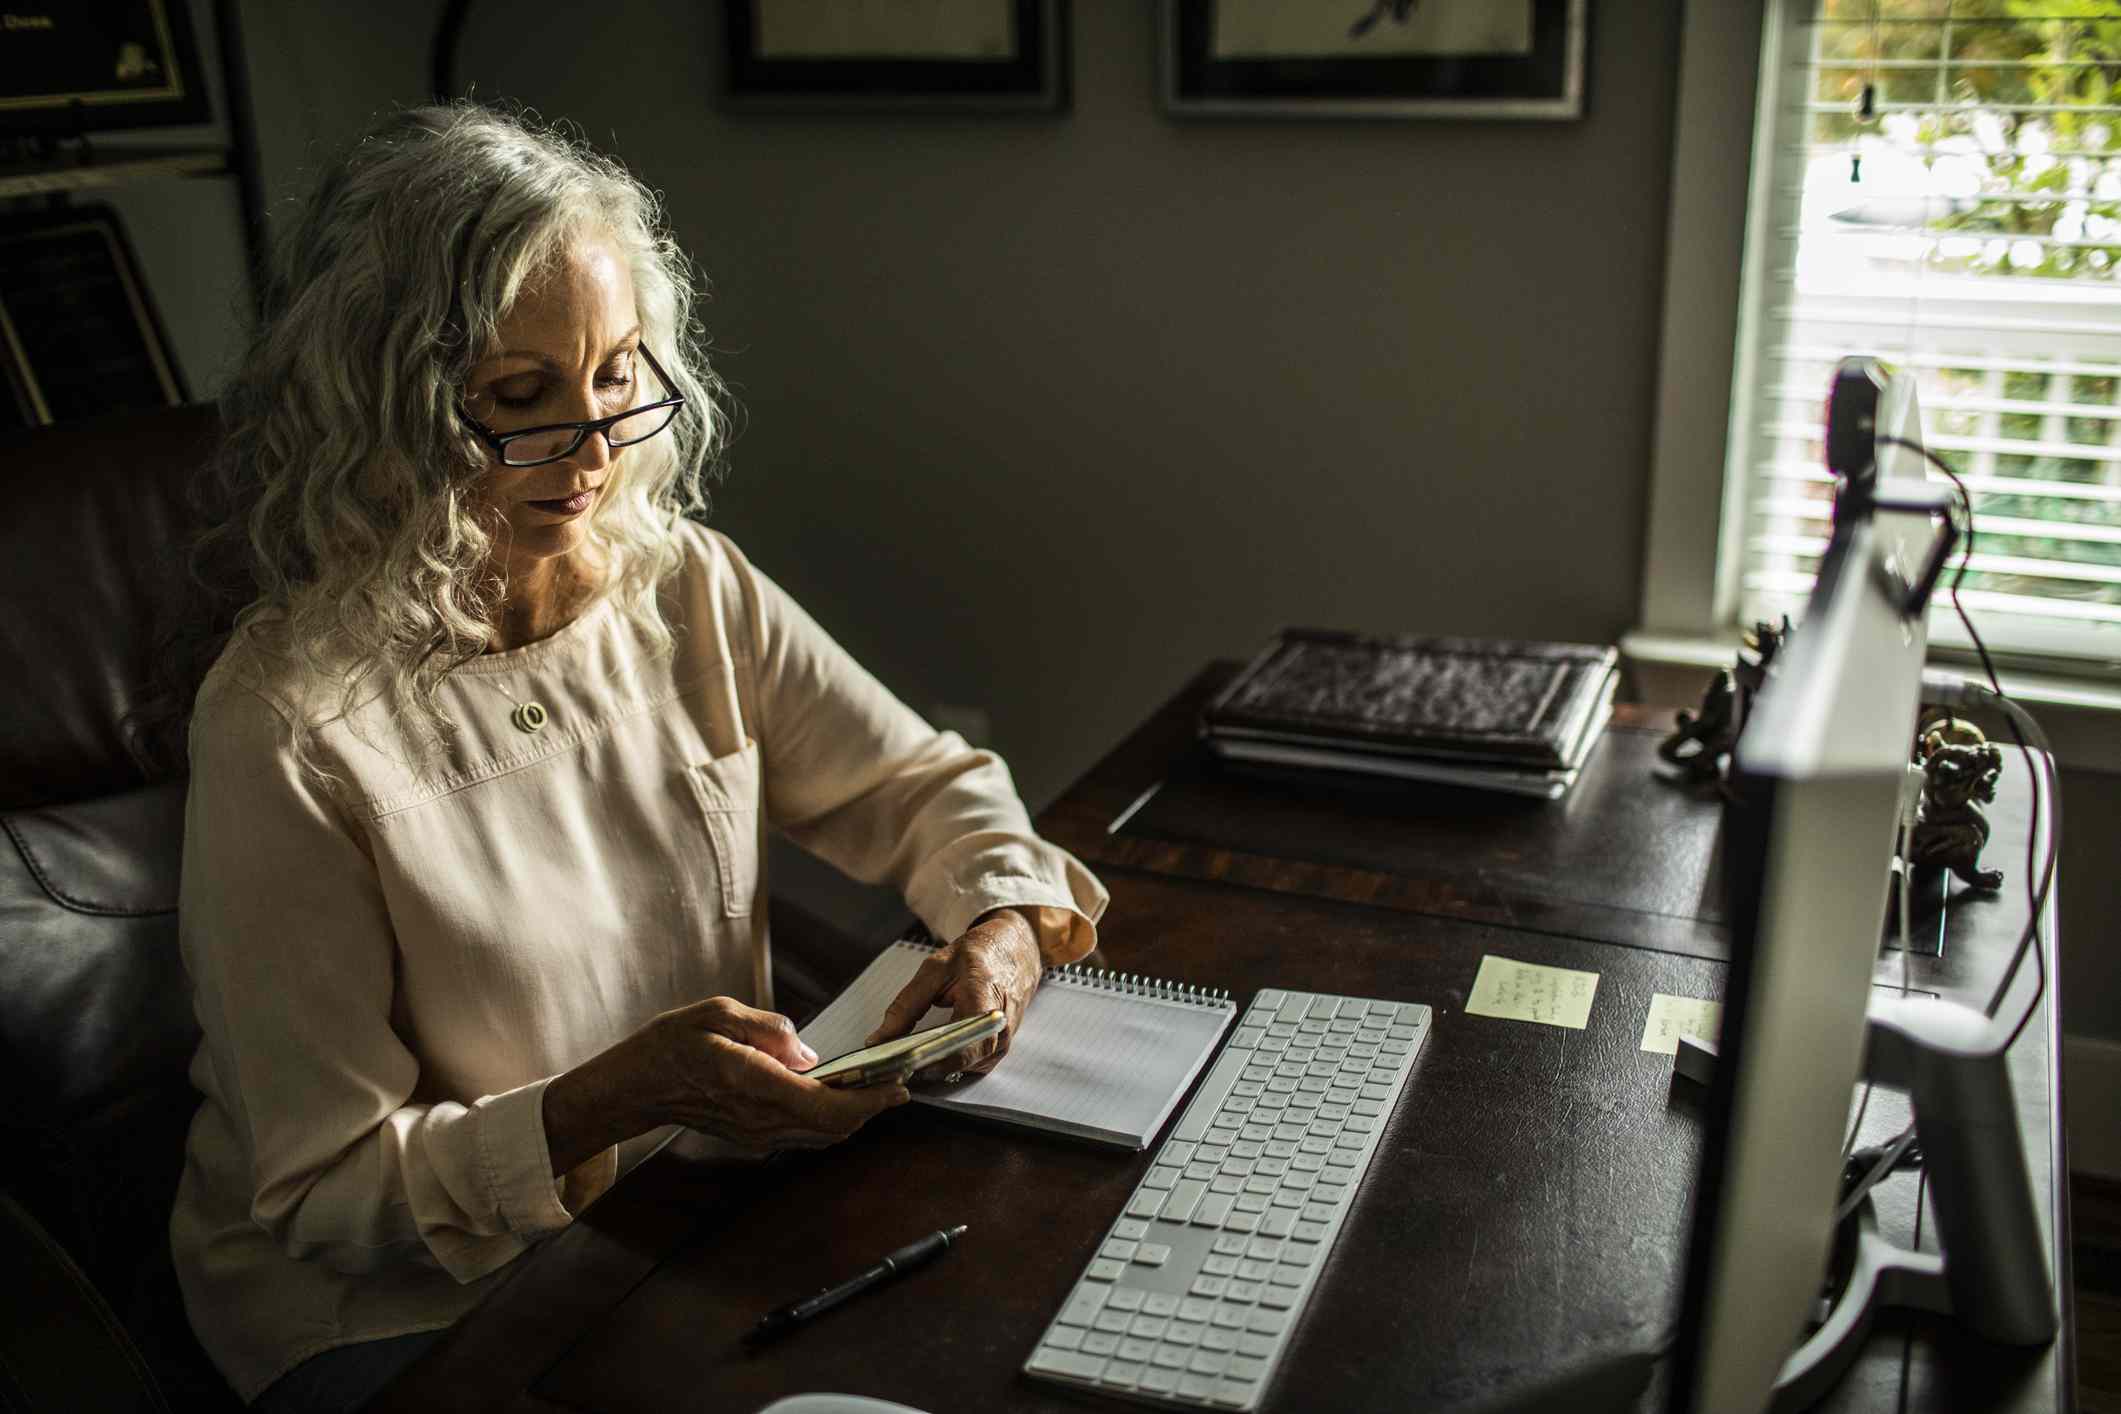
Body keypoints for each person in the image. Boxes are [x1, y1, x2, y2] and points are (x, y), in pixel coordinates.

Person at [165, 104, 1106, 1413]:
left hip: (677, 1217)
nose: (598, 451)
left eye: (616, 375)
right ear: (391, 403)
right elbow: (324, 1192)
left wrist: (1000, 916)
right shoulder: (287, 720)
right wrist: (606, 1101)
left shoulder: (683, 588)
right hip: (395, 1308)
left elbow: (924, 789)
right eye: (518, 398)